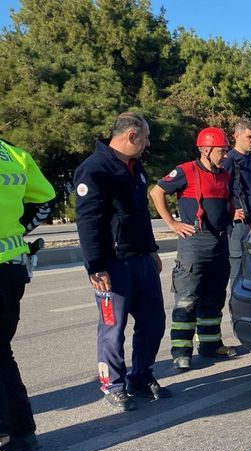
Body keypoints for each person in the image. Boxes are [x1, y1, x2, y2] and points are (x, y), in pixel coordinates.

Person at [74, 112, 171, 412]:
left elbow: (139, 214)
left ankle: (140, 376)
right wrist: (95, 265)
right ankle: (113, 384)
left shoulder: (135, 168)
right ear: (131, 136)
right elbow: (87, 221)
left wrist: (152, 249)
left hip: (141, 260)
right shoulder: (95, 169)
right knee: (112, 328)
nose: (148, 143)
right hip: (113, 266)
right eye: (146, 137)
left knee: (153, 321)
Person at [150, 127, 240, 370]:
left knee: (214, 298)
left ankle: (211, 345)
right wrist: (172, 223)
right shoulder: (186, 171)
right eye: (222, 150)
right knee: (187, 301)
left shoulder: (223, 174)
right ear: (206, 149)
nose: (225, 155)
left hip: (220, 243)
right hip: (194, 244)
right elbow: (156, 192)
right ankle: (181, 352)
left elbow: (224, 204)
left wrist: (234, 213)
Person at [0, 138, 54, 451]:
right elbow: (46, 201)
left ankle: (3, 446)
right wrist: (18, 232)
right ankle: (23, 433)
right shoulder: (14, 154)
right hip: (12, 268)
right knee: (1, 352)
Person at [224, 117, 251, 284]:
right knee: (238, 267)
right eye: (250, 137)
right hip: (240, 224)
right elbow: (220, 190)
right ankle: (236, 306)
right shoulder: (229, 160)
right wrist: (231, 210)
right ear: (236, 135)